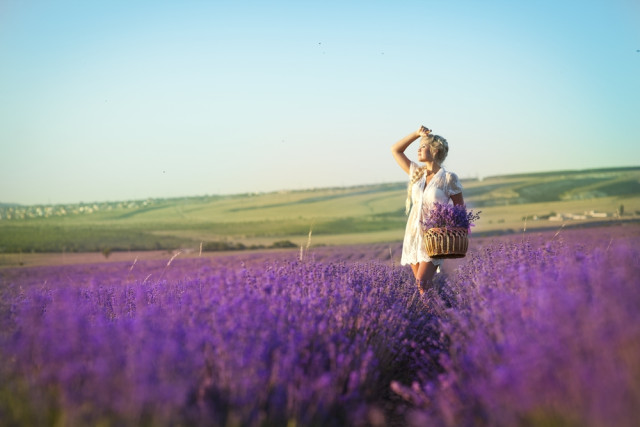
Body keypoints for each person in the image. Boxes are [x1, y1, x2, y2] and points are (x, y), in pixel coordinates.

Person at [391, 125, 464, 295]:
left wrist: (450, 228)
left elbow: (460, 209)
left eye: (423, 146)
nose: (418, 149)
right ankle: (436, 318)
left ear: (435, 150)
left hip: (434, 237)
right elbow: (396, 150)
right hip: (413, 234)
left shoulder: (448, 178)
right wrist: (416, 135)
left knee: (422, 281)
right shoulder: (417, 173)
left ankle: (440, 317)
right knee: (422, 287)